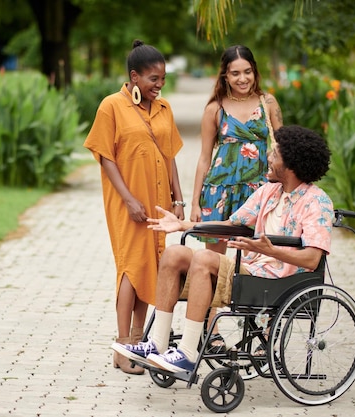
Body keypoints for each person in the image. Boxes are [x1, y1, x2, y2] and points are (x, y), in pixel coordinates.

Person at [112, 125, 333, 373]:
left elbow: (313, 259)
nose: (268, 158)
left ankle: (187, 353)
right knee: (175, 254)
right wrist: (184, 225)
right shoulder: (269, 192)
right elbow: (231, 225)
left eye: (275, 155)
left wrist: (270, 251)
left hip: (277, 280)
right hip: (252, 270)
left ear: (291, 165)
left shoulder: (317, 202)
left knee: (206, 259)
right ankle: (157, 344)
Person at [84, 40, 185, 375]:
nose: (159, 85)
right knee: (130, 266)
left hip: (158, 203)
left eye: (163, 79)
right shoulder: (111, 106)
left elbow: (169, 155)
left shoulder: (164, 109)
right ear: (134, 76)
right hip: (127, 201)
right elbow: (104, 156)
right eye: (153, 79)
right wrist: (128, 198)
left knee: (150, 269)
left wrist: (179, 200)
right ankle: (122, 346)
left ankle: (138, 343)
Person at [190, 45, 283, 350]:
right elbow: (205, 158)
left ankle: (266, 331)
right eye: (235, 73)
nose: (242, 78)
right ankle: (210, 328)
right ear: (225, 76)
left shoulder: (267, 103)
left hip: (259, 192)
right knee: (214, 260)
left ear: (254, 71)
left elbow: (283, 150)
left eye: (247, 71)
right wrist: (194, 203)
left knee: (266, 255)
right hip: (219, 192)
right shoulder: (215, 109)